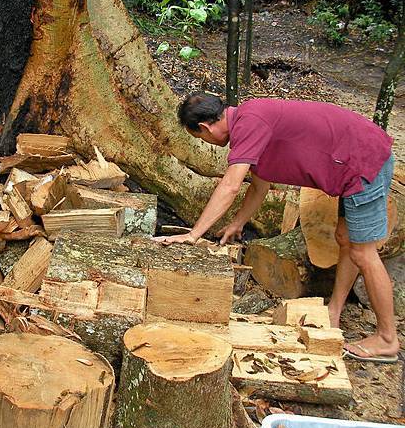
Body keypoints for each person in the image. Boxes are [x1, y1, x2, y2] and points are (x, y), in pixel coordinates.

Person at [153, 92, 398, 363]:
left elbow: (231, 185)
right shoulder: (250, 123)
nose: (209, 143)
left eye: (201, 138)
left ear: (205, 127)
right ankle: (334, 313)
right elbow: (259, 186)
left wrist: (193, 234)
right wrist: (237, 223)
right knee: (345, 238)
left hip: (363, 161)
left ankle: (387, 339)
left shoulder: (249, 121)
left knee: (363, 253)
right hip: (351, 161)